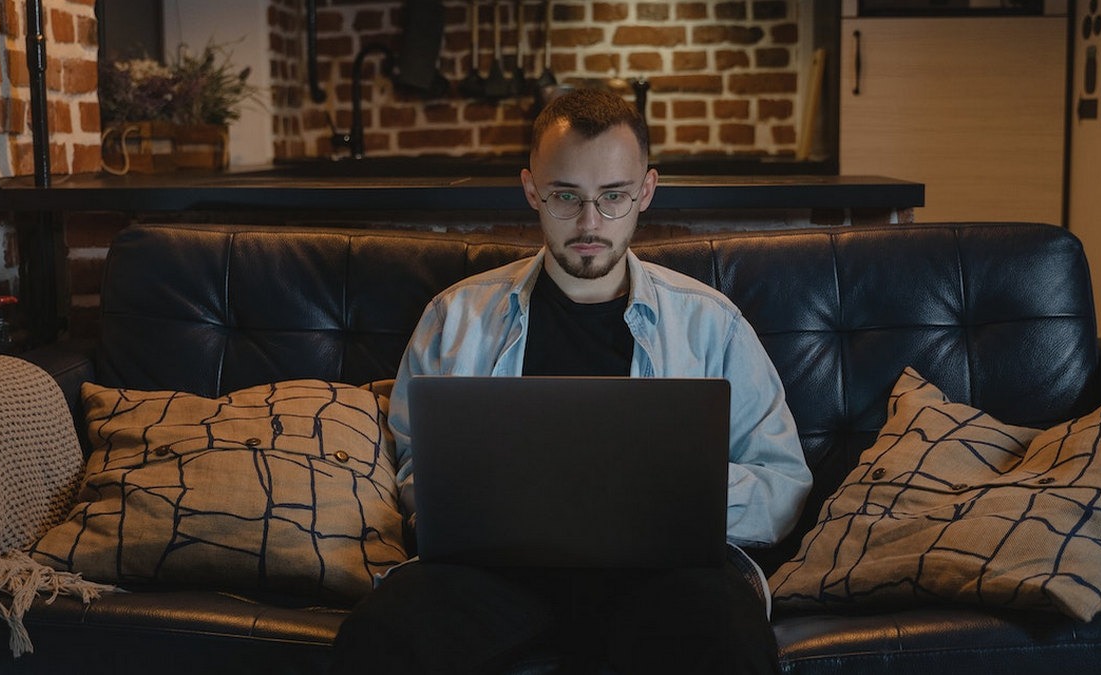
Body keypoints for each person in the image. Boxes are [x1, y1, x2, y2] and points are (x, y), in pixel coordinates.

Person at [331, 88, 813, 674]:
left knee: (722, 636)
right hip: (493, 576)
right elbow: (415, 475)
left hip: (666, 578)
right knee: (379, 638)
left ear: (646, 191)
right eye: (566, 197)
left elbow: (781, 483)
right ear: (532, 189)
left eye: (613, 198)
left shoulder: (710, 323)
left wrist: (674, 499)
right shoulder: (454, 317)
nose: (590, 224)